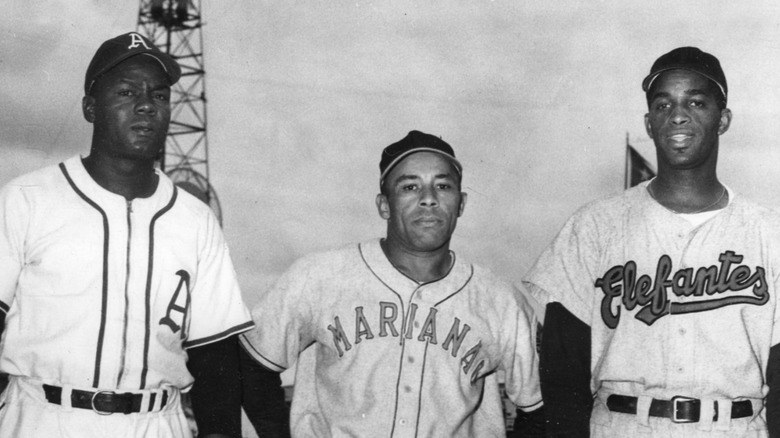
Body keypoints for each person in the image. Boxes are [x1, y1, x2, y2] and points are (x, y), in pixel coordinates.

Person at [0, 32, 256, 438]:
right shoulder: (25, 200)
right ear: (90, 108)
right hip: (42, 417)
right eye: (126, 92)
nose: (145, 106)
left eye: (158, 96)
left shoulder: (195, 219)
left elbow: (215, 361)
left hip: (156, 421)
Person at [523, 46, 780, 437]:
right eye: (663, 105)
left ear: (723, 119)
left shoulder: (768, 232)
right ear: (648, 122)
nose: (678, 115)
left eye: (696, 101)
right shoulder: (595, 225)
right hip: (622, 424)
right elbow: (562, 371)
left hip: (735, 426)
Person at [239, 130, 545, 437]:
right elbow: (250, 363)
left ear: (461, 203)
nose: (428, 199)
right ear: (384, 205)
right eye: (410, 187)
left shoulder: (501, 300)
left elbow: (542, 408)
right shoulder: (320, 275)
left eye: (443, 186)